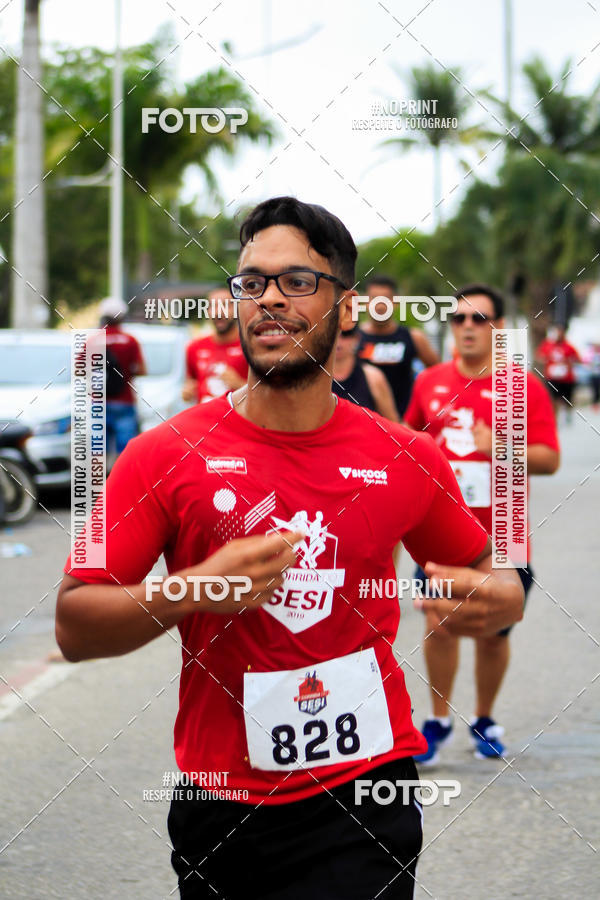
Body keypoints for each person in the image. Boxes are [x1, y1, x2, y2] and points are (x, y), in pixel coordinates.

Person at [56, 200, 524, 900]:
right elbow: (73, 627)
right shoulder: (160, 454)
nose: (269, 298)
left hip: (369, 788)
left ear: (347, 306)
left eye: (297, 280)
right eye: (251, 282)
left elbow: (498, 578)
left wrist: (496, 599)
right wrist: (196, 587)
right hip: (224, 801)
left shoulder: (407, 456)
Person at [404, 283, 560, 764]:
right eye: (459, 319)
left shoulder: (522, 385)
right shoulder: (429, 381)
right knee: (440, 626)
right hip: (441, 534)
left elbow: (550, 459)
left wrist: (499, 447)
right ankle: (438, 721)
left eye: (480, 319)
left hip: (505, 531)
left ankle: (485, 718)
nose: (468, 327)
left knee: (494, 633)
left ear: (497, 329)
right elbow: (409, 439)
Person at [358, 275, 439, 417]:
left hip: (403, 424)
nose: (380, 305)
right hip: (362, 423)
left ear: (395, 302)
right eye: (374, 298)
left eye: (386, 299)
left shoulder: (414, 337)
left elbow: (439, 374)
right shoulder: (352, 339)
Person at [182, 286, 248, 403]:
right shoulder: (194, 347)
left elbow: (267, 396)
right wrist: (187, 392)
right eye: (213, 306)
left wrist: (239, 385)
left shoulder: (251, 346)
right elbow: (191, 383)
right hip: (205, 419)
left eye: (226, 305)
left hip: (238, 419)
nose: (218, 312)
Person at [99, 296, 146, 456]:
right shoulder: (130, 340)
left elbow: (79, 369)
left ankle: (102, 481)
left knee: (97, 455)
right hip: (125, 401)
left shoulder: (93, 340)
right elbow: (142, 370)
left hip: (99, 402)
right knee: (126, 454)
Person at [332, 324, 400, 420]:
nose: (339, 341)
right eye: (334, 334)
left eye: (346, 334)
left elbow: (393, 423)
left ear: (356, 339)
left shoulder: (373, 377)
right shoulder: (315, 375)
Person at [536, 324, 581, 423]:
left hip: (567, 378)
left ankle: (568, 414)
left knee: (567, 399)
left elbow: (578, 359)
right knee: (553, 399)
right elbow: (539, 356)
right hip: (552, 377)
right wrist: (544, 359)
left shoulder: (569, 346)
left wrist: (570, 361)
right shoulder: (547, 345)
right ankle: (554, 418)